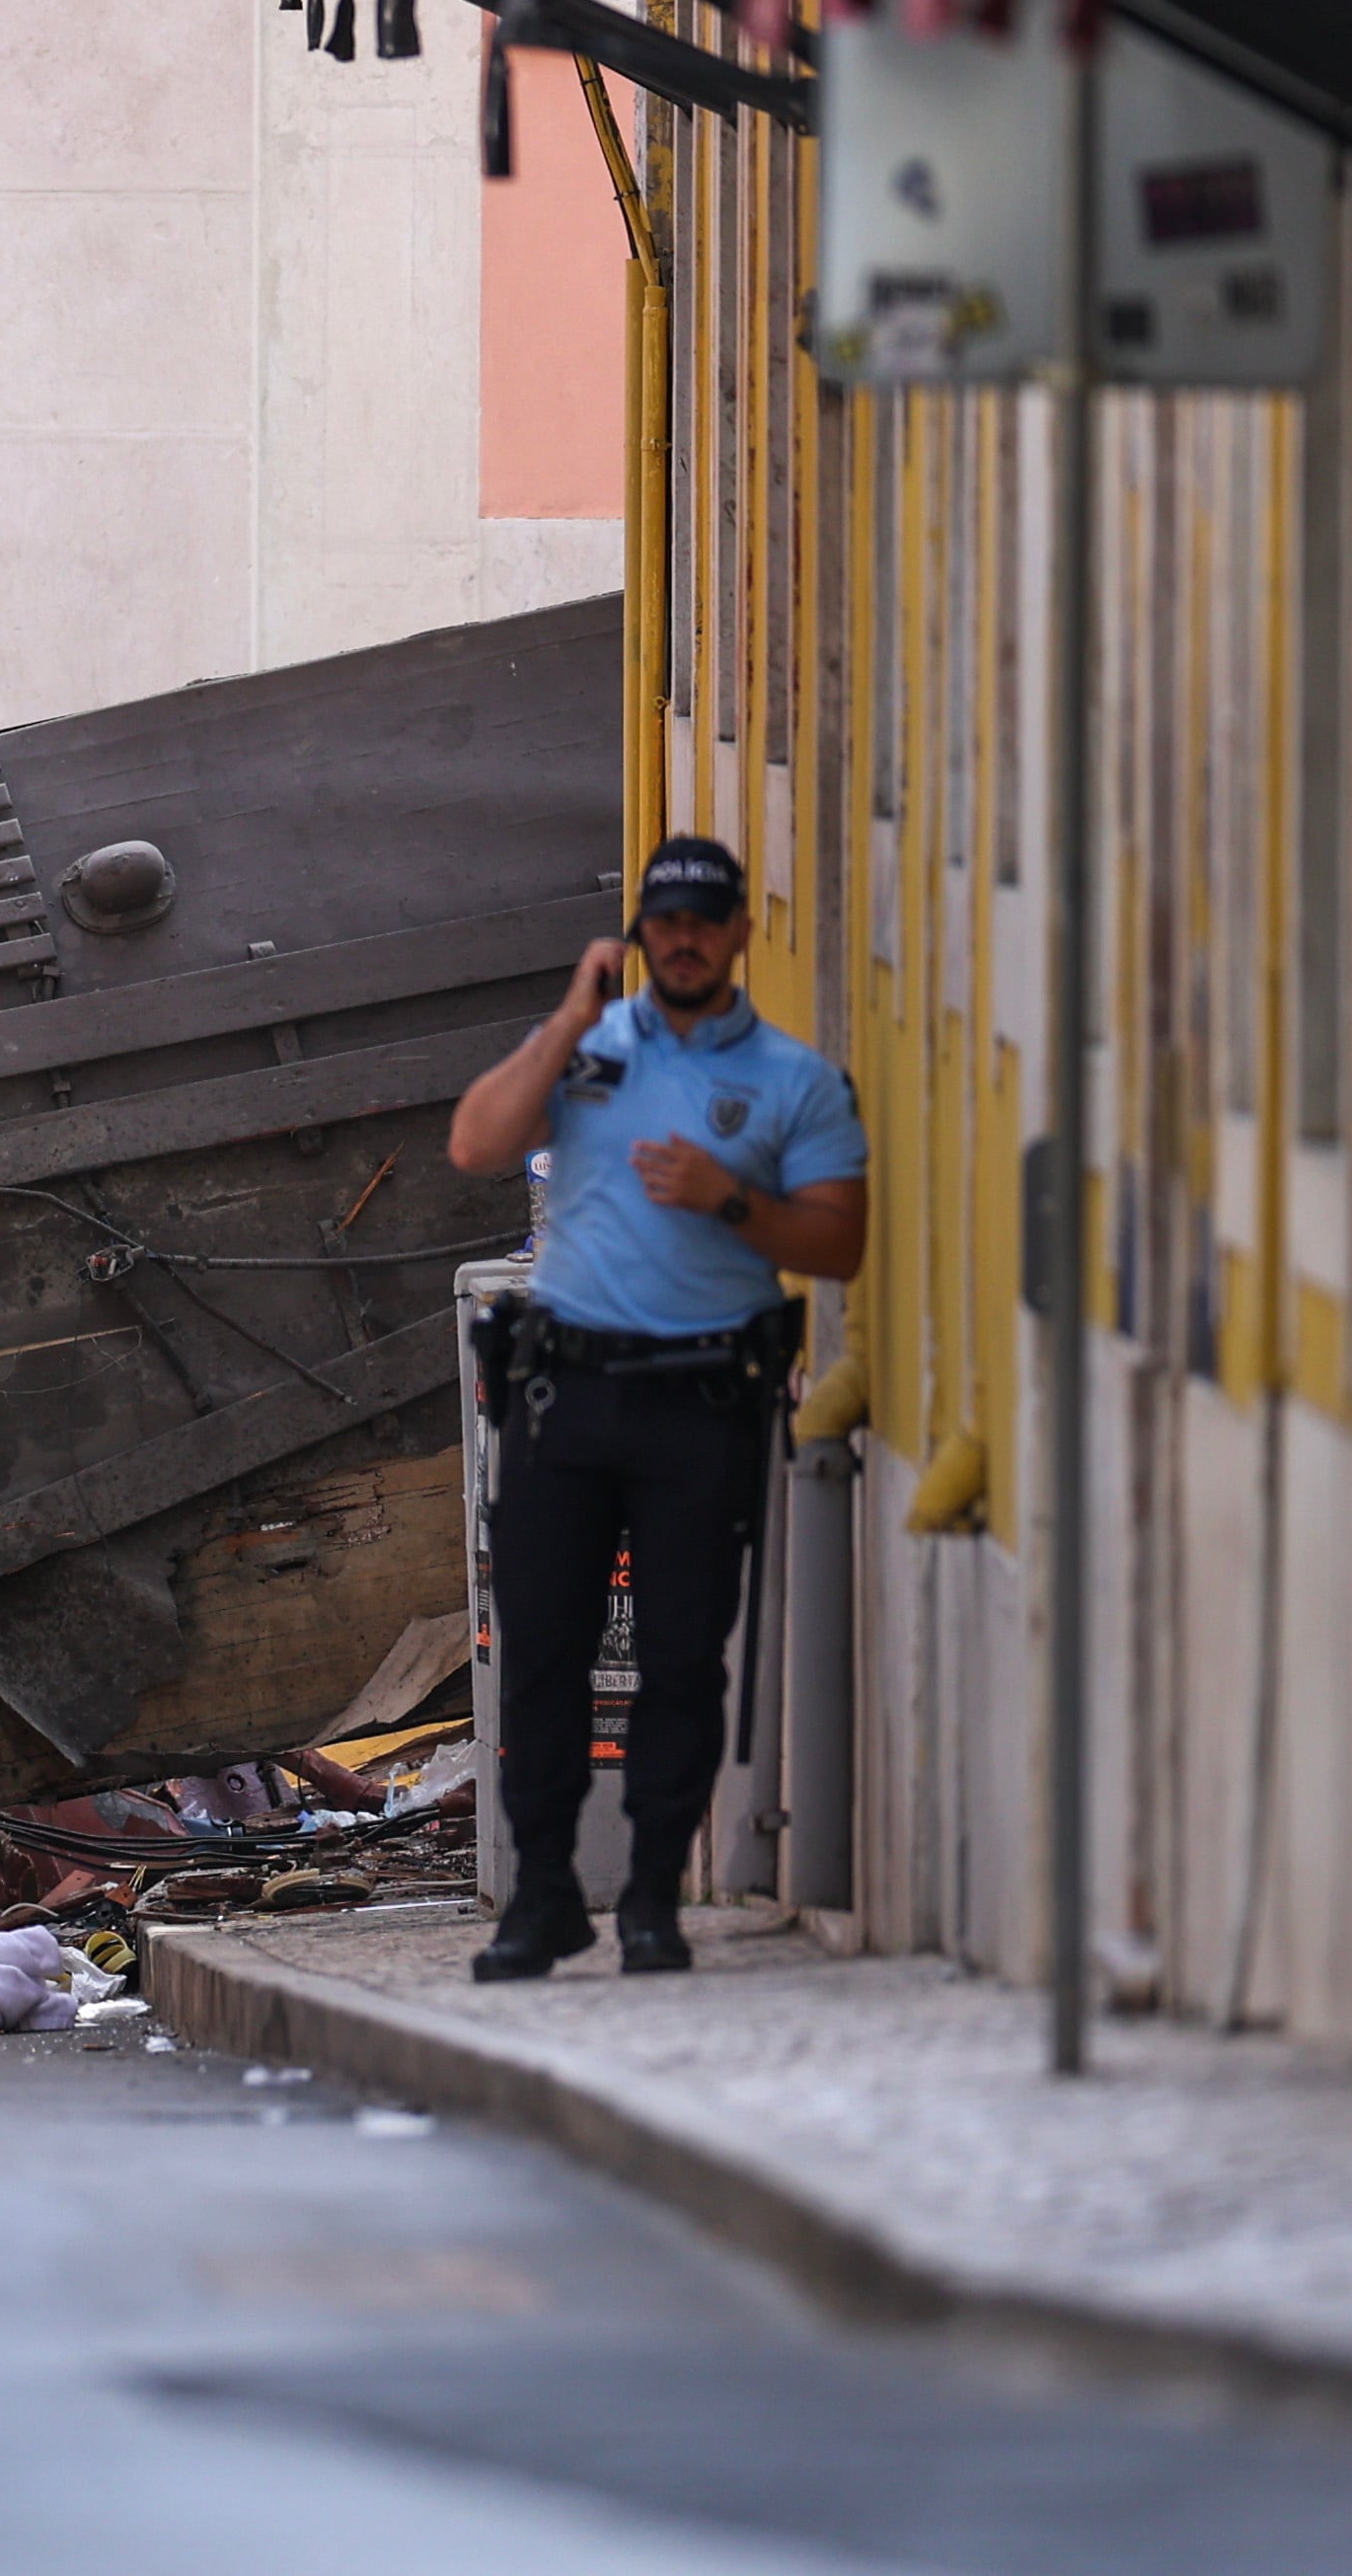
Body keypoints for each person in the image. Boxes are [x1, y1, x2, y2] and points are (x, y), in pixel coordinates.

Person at [443, 836, 865, 1981]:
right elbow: (474, 1143)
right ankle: (540, 1897)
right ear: (637, 937)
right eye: (662, 925)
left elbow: (839, 1242)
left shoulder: (791, 1079)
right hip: (562, 1394)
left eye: (701, 924)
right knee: (542, 1654)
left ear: (734, 936)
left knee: (679, 1660)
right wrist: (564, 1020)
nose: (682, 943)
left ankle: (646, 1897)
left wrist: (731, 1201)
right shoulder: (586, 1053)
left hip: (699, 1402)